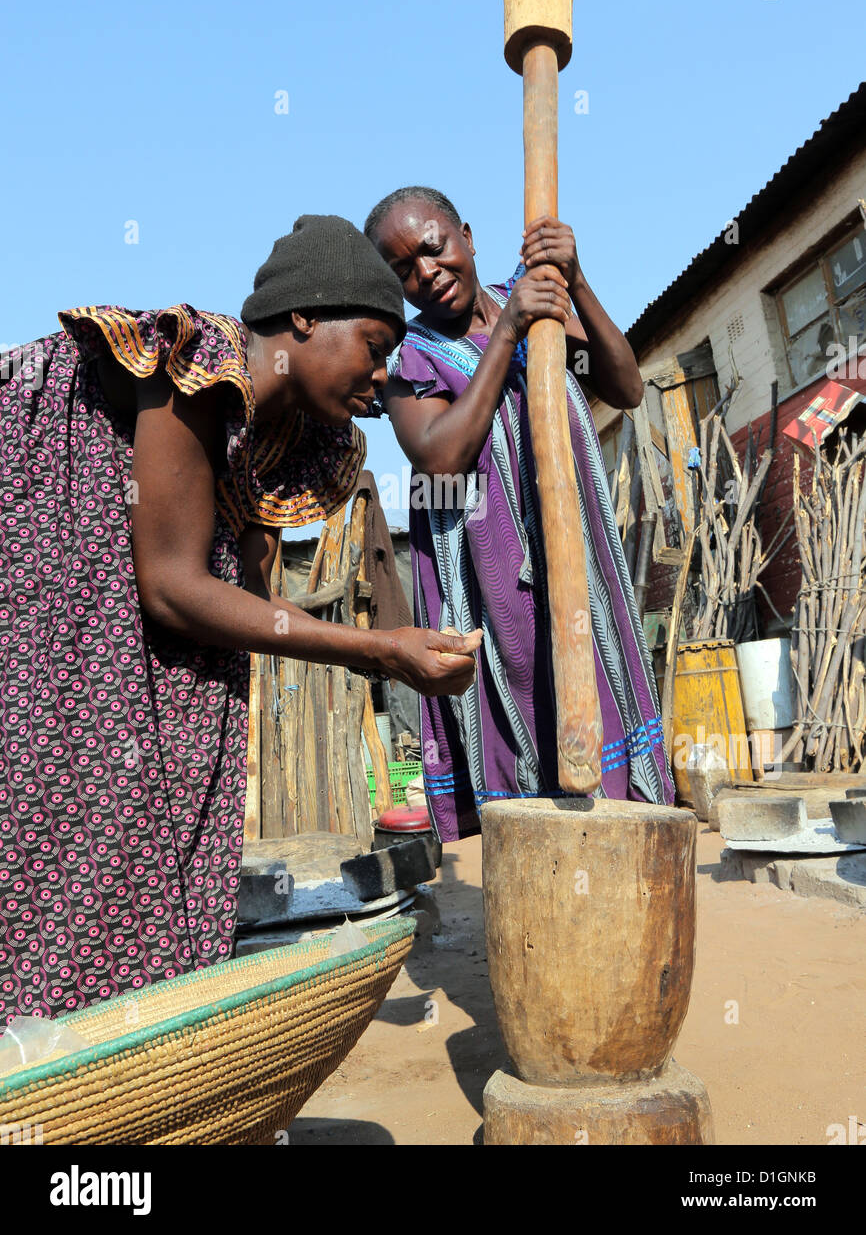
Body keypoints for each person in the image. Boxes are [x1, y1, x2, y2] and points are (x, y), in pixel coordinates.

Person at [0, 213, 480, 1024]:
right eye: (373, 344)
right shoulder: (199, 360)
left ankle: (115, 1046)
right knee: (71, 800)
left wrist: (381, 653)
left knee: (146, 809)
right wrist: (375, 648)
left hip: (112, 615)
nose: (383, 376)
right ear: (303, 320)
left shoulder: (284, 439)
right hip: (44, 553)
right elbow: (174, 589)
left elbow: (251, 612)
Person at [364, 187, 675, 842]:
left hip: (577, 554)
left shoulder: (538, 301)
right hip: (488, 575)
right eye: (403, 271)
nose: (426, 273)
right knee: (520, 692)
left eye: (433, 247)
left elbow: (625, 386)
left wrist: (577, 281)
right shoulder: (408, 367)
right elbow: (441, 460)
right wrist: (506, 331)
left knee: (592, 679)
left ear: (468, 236)